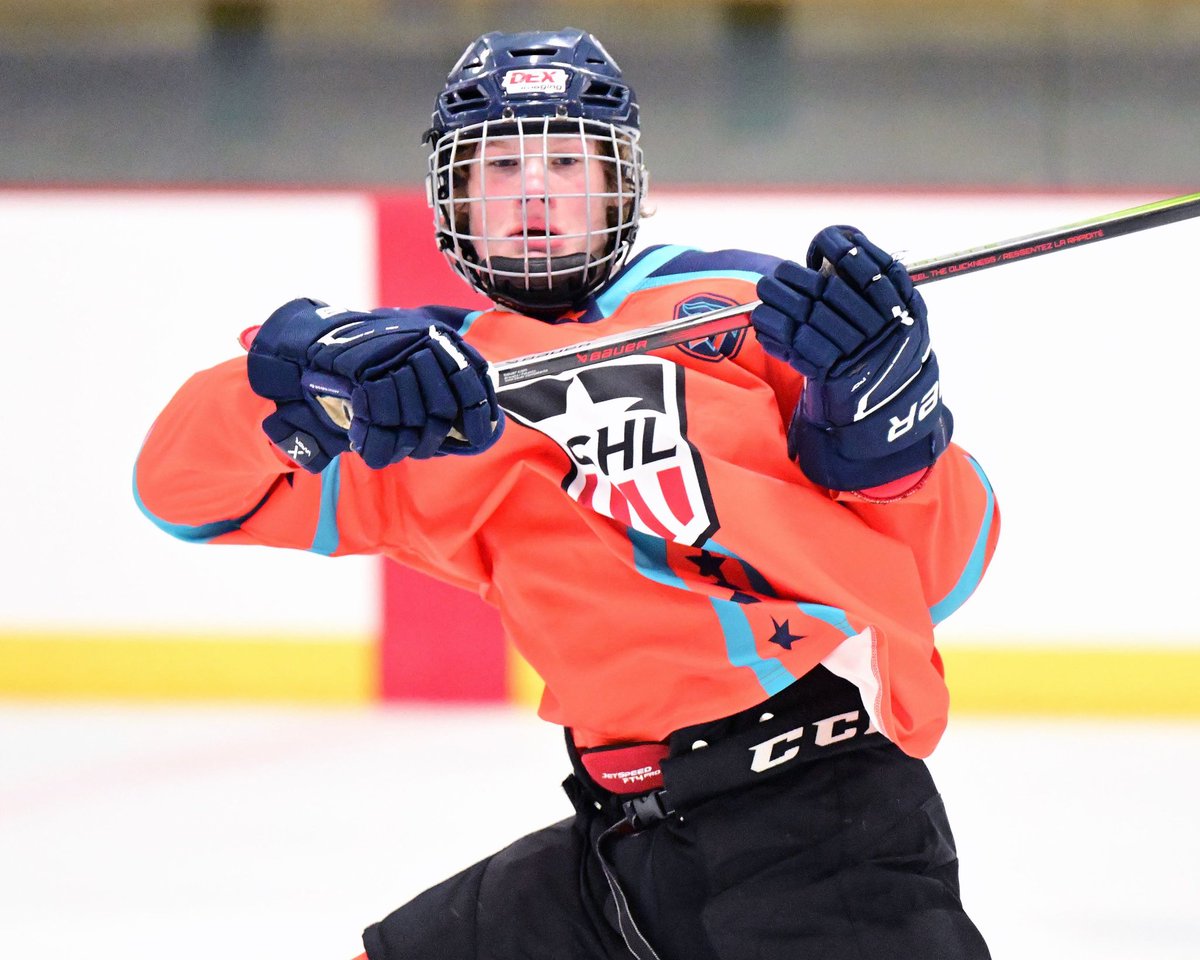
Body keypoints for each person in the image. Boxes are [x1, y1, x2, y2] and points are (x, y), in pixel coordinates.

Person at [135, 27, 999, 960]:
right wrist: (292, 368)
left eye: (566, 159)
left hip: (824, 836)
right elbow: (181, 494)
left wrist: (891, 438)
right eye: (502, 163)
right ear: (453, 197)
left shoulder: (741, 310)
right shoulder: (422, 395)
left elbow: (939, 577)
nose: (536, 189)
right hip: (619, 845)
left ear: (620, 185)